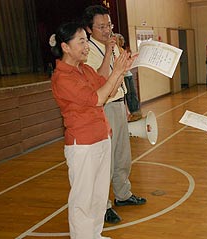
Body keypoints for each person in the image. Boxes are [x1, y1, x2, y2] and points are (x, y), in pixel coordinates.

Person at [50, 21, 133, 239]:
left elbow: (109, 89)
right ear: (65, 47)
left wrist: (121, 71)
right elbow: (96, 99)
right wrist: (116, 71)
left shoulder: (84, 69)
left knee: (98, 195)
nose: (86, 46)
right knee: (82, 199)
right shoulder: (62, 77)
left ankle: (94, 235)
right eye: (81, 41)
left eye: (86, 41)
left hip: (101, 137)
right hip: (83, 144)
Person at [82, 5, 146, 224]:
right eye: (101, 27)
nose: (107, 30)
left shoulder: (115, 47)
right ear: (89, 30)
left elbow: (120, 77)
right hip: (102, 107)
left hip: (117, 103)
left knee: (122, 154)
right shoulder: (87, 51)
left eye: (109, 25)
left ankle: (123, 194)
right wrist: (109, 51)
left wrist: (126, 103)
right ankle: (103, 204)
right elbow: (99, 78)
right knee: (105, 159)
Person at [115, 33, 142, 122]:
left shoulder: (122, 49)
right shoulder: (116, 50)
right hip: (124, 76)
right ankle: (131, 113)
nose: (122, 42)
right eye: (120, 40)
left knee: (133, 93)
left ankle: (136, 111)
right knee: (129, 95)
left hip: (129, 74)